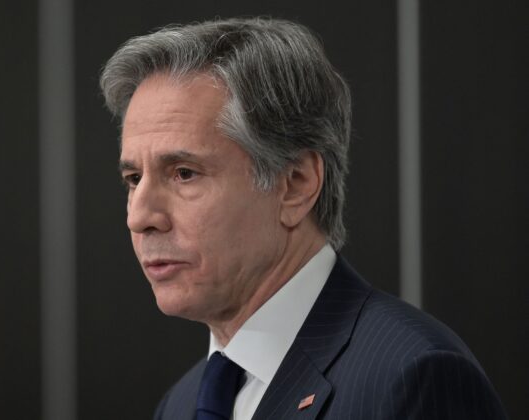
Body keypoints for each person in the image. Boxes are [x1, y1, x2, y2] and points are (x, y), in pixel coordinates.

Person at [99, 17, 506, 420]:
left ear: (295, 184)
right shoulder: (179, 405)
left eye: (184, 173)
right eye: (133, 179)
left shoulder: (412, 377)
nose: (140, 217)